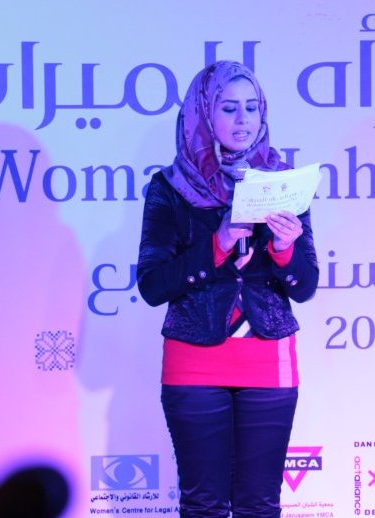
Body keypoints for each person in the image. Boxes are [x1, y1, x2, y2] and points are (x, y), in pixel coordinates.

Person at [137, 60, 319, 518]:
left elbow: (305, 286)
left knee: (260, 505)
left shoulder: (283, 182)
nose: (243, 120)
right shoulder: (170, 188)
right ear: (203, 115)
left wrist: (284, 249)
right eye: (229, 108)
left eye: (252, 108)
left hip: (269, 359)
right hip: (194, 361)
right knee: (204, 505)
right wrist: (215, 245)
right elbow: (153, 285)